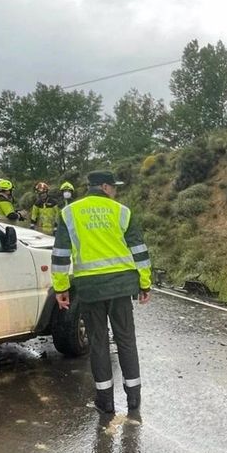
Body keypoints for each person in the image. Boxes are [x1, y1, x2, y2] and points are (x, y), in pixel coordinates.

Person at [51, 171, 151, 413]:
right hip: (120, 287)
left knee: (98, 342)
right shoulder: (122, 211)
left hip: (90, 288)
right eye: (113, 187)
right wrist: (144, 283)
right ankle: (133, 397)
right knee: (126, 340)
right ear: (105, 187)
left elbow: (61, 254)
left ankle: (105, 400)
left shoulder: (69, 213)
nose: (115, 191)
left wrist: (61, 287)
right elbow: (139, 250)